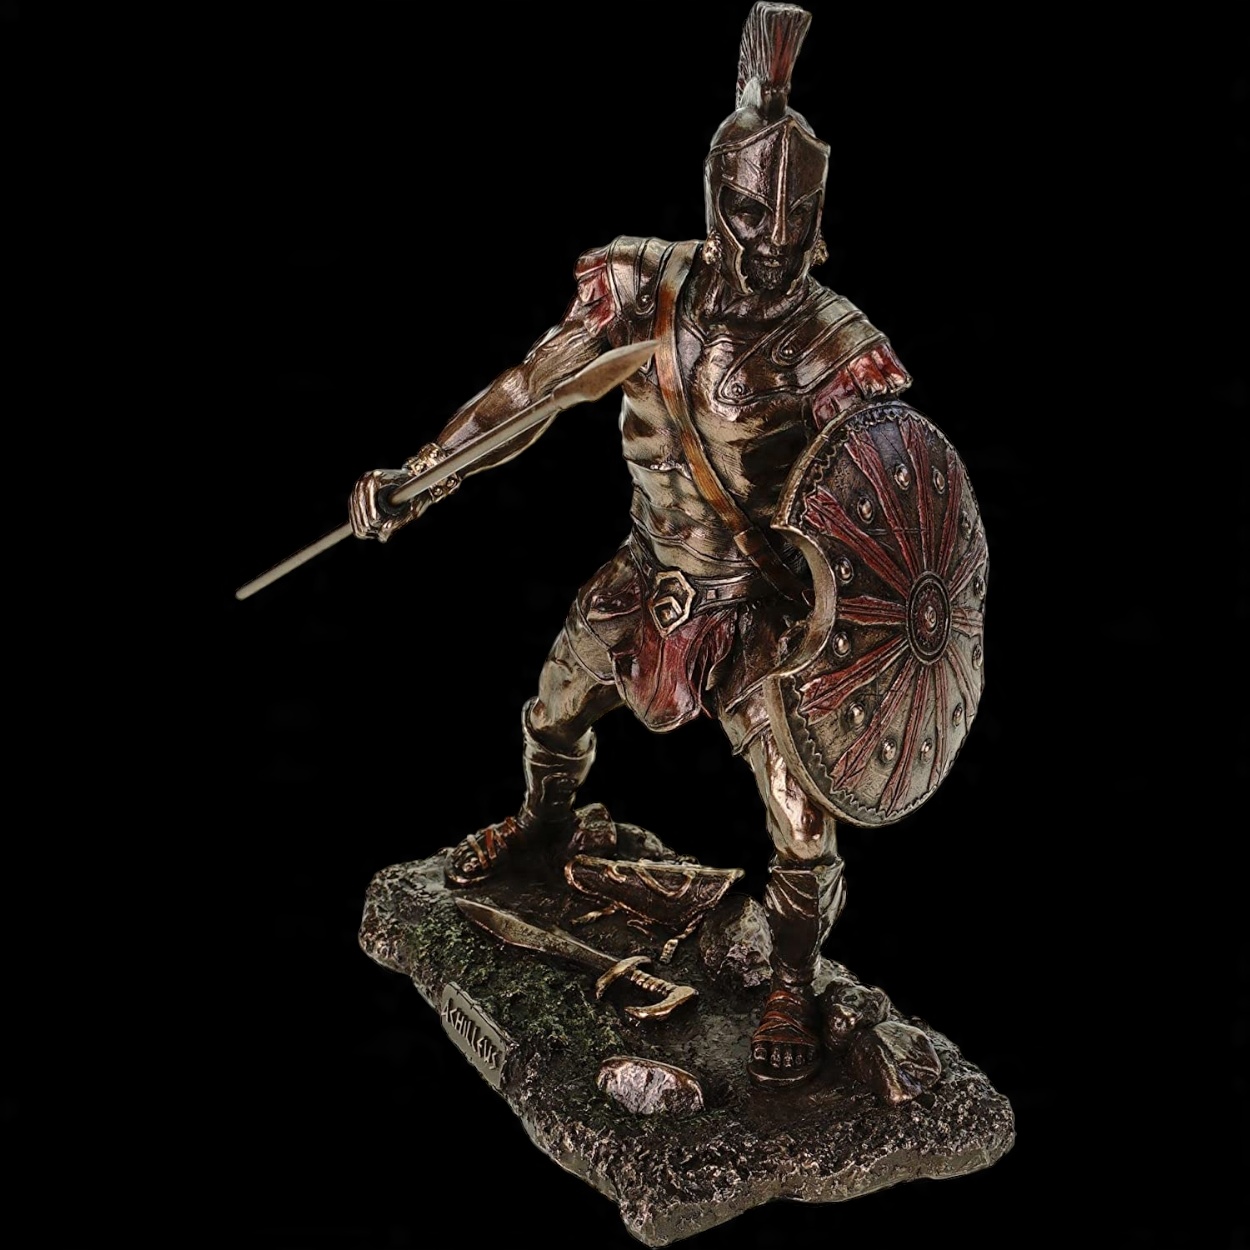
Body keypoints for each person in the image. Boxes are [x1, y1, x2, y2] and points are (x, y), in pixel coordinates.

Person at [349, 2, 913, 1088]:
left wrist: (856, 635)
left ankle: (792, 977)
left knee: (801, 815)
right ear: (716, 198)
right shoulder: (642, 288)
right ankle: (542, 827)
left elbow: (885, 507)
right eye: (750, 215)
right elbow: (529, 393)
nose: (771, 243)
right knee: (555, 704)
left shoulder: (833, 345)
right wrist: (421, 474)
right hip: (650, 572)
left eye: (793, 222)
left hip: (758, 607)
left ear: (817, 219)